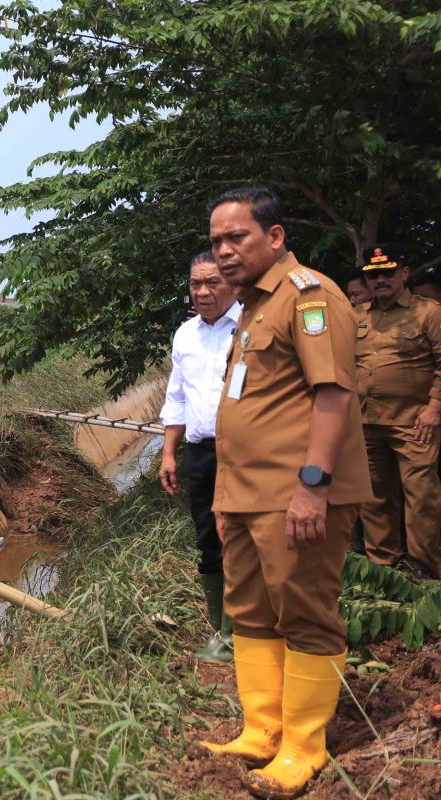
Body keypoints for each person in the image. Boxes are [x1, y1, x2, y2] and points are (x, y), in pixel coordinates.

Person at [195, 188, 372, 800]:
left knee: (304, 612)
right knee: (249, 612)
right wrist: (223, 498)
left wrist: (313, 488)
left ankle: (304, 745)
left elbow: (334, 395)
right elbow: (242, 409)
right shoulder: (250, 308)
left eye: (236, 237)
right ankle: (262, 730)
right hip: (246, 498)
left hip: (296, 494)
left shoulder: (309, 298)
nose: (223, 251)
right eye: (217, 241)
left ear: (274, 237)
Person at [159, 251, 242, 663]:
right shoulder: (185, 335)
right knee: (208, 538)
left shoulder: (250, 327)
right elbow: (176, 397)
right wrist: (168, 454)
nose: (203, 291)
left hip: (244, 452)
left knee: (243, 539)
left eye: (212, 282)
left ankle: (244, 629)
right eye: (196, 283)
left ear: (232, 281)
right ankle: (221, 630)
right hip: (200, 453)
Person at [354, 243, 441, 579]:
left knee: (421, 498)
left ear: (405, 273)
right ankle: (384, 567)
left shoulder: (429, 312)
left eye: (388, 273)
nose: (381, 280)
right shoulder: (357, 314)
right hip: (366, 422)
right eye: (373, 275)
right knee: (374, 497)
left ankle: (425, 570)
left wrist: (434, 408)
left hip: (415, 422)